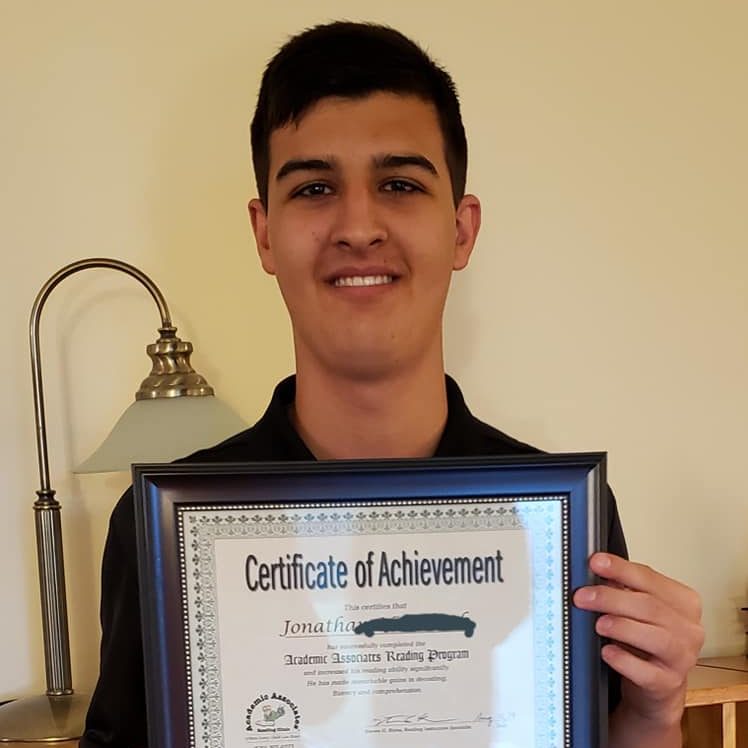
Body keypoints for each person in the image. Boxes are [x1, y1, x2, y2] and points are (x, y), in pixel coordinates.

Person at [81, 21, 704, 748]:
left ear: (461, 229)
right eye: (315, 188)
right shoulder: (163, 533)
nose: (358, 226)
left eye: (399, 184)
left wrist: (652, 716)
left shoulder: (558, 524)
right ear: (265, 233)